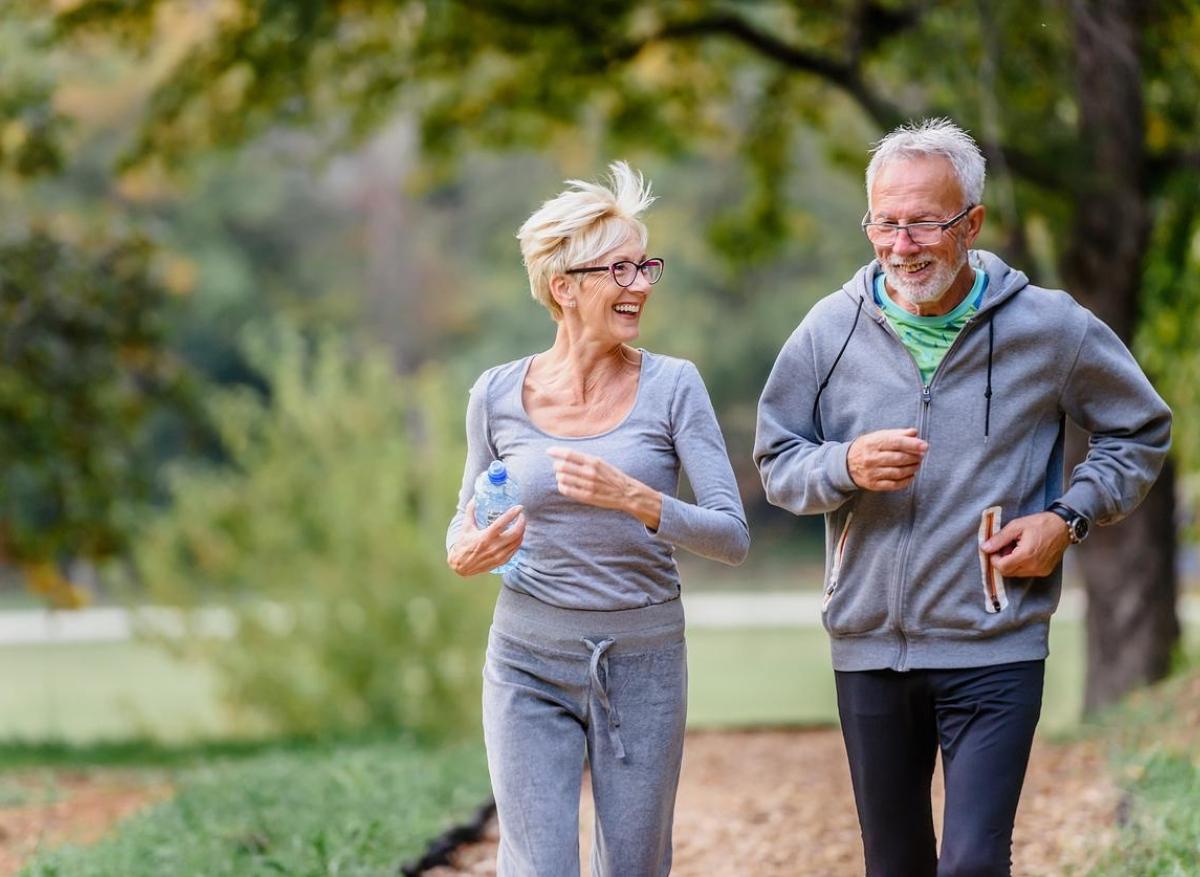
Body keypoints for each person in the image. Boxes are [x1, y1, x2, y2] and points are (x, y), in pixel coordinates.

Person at [753, 118, 1171, 877]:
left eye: (924, 223)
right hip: (869, 645)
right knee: (896, 865)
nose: (902, 244)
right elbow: (778, 461)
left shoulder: (1050, 327)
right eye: (886, 222)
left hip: (996, 641)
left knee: (974, 864)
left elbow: (1139, 430)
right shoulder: (828, 331)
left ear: (972, 223)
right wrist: (843, 463)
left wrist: (1067, 518)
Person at [446, 161, 749, 877]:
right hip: (526, 656)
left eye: (646, 265)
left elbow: (732, 535)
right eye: (620, 267)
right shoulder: (495, 394)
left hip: (643, 659)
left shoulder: (674, 387)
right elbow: (465, 518)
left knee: (634, 868)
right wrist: (465, 550)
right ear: (564, 286)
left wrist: (636, 498)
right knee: (538, 866)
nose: (641, 282)